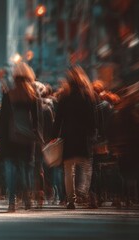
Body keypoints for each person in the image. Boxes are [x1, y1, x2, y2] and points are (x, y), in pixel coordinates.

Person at [0, 62, 43, 212]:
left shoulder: (9, 94)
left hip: (10, 137)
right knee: (26, 169)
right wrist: (37, 136)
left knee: (10, 169)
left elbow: (3, 119)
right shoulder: (33, 95)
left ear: (14, 78)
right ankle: (27, 199)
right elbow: (37, 120)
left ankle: (12, 202)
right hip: (27, 139)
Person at [52, 65, 96, 210]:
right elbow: (92, 118)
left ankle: (71, 199)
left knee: (68, 170)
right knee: (86, 167)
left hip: (68, 137)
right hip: (83, 137)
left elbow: (58, 119)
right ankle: (85, 192)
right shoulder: (88, 96)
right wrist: (93, 133)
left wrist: (53, 136)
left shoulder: (65, 96)